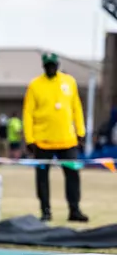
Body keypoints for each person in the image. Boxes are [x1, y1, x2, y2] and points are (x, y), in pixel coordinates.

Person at [23, 52, 88, 223]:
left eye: (54, 64)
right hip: (42, 142)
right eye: (48, 65)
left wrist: (81, 131)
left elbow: (76, 108)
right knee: (42, 178)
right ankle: (45, 211)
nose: (51, 68)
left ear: (58, 65)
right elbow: (28, 113)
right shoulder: (35, 85)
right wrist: (29, 139)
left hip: (67, 140)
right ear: (44, 67)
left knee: (73, 175)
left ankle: (74, 210)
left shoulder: (69, 82)